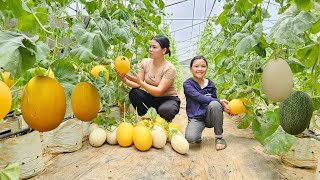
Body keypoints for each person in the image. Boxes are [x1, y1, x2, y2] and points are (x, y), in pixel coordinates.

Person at [118, 35, 180, 122]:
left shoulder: (169, 68)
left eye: (154, 47)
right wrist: (125, 79)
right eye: (150, 46)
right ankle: (145, 119)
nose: (150, 49)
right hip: (152, 98)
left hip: (167, 99)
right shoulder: (145, 62)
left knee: (166, 110)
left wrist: (140, 82)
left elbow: (159, 91)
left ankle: (163, 121)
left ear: (164, 50)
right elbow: (137, 84)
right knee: (134, 93)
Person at [183, 55, 230, 151]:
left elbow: (215, 104)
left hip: (209, 117)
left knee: (215, 104)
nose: (200, 69)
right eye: (196, 66)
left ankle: (219, 138)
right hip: (197, 117)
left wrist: (225, 108)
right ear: (190, 69)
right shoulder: (188, 84)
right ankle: (196, 133)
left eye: (203, 66)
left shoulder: (210, 83)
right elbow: (199, 97)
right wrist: (219, 101)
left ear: (206, 68)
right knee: (191, 139)